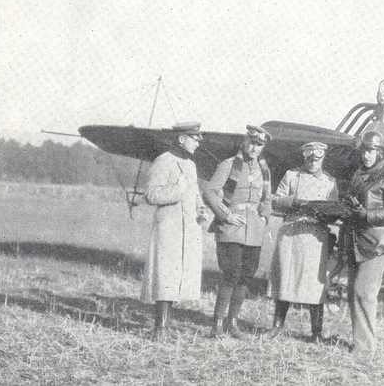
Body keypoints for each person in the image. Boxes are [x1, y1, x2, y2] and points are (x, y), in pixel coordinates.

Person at [141, 121, 210, 340]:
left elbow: (196, 193)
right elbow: (151, 195)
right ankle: (160, 327)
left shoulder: (190, 165)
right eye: (195, 138)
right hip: (169, 227)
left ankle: (166, 325)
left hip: (189, 228)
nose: (198, 143)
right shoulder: (164, 161)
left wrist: (201, 208)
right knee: (165, 275)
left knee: (178, 275)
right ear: (181, 139)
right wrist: (178, 191)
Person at [203, 125, 273, 339]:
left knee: (245, 276)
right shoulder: (229, 165)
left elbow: (267, 197)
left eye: (259, 145)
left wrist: (265, 213)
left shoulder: (263, 169)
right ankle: (216, 325)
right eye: (251, 143)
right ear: (244, 142)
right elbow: (210, 192)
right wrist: (226, 215)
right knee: (231, 274)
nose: (254, 148)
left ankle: (232, 324)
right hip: (232, 228)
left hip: (254, 231)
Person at [265, 142, 339, 342]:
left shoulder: (329, 182)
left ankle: (316, 332)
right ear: (303, 158)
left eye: (317, 159)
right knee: (285, 280)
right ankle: (277, 326)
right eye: (308, 159)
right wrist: (293, 201)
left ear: (323, 158)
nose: (312, 163)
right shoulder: (291, 175)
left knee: (314, 285)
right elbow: (275, 200)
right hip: (292, 233)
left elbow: (334, 210)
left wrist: (324, 212)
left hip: (315, 237)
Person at [344, 130, 384, 353]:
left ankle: (365, 348)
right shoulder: (359, 174)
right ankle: (359, 343)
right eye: (364, 150)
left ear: (380, 152)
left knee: (364, 292)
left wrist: (368, 214)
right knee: (354, 293)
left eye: (371, 151)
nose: (366, 156)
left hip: (378, 244)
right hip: (358, 240)